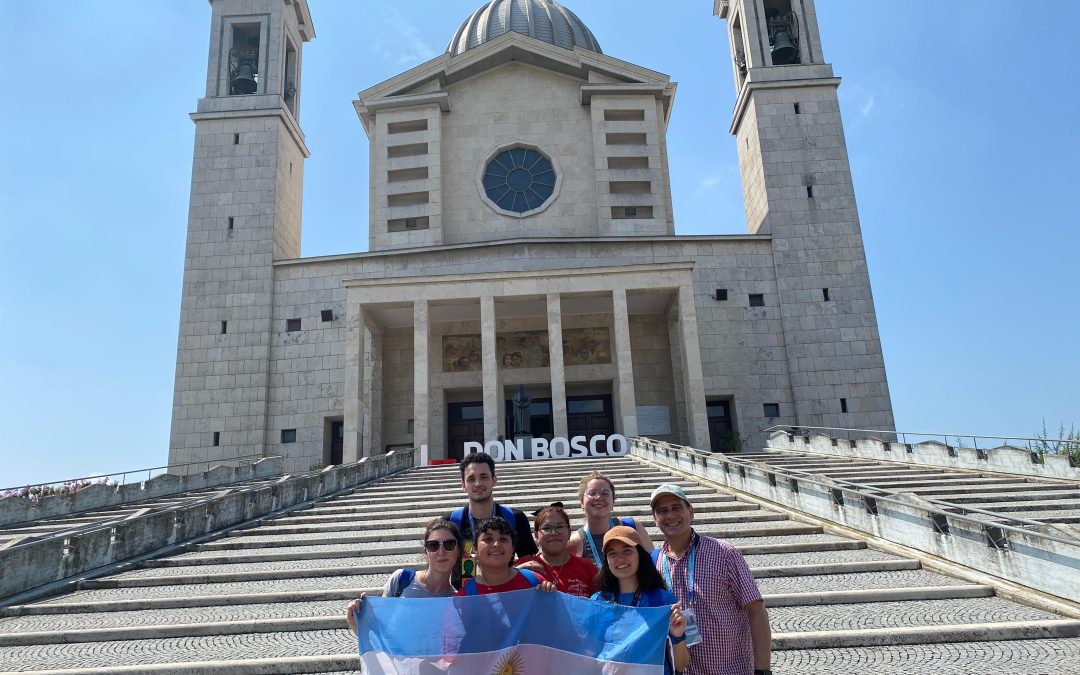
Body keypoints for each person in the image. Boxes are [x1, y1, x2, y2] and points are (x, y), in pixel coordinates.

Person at [650, 484, 772, 675]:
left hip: (730, 670)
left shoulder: (723, 553)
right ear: (655, 520)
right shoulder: (655, 563)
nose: (670, 515)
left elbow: (756, 610)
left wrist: (763, 670)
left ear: (690, 512)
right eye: (662, 511)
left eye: (676, 507)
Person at [591, 525, 689, 674]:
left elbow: (681, 665)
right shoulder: (597, 602)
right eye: (612, 554)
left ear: (640, 555)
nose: (620, 559)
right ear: (607, 561)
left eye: (627, 551)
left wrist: (677, 636)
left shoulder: (663, 601)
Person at [345, 517, 463, 635]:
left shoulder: (458, 602)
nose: (441, 552)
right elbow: (378, 634)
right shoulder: (401, 580)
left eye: (449, 544)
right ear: (426, 551)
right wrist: (356, 622)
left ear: (458, 550)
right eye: (433, 545)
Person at [445, 452, 537, 581]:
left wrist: (516, 570)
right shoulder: (451, 522)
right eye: (471, 479)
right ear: (463, 485)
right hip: (465, 597)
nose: (478, 483)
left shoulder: (515, 518)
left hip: (506, 595)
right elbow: (438, 567)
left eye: (483, 477)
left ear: (494, 480)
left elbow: (533, 565)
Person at [569, 470, 653, 566]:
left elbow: (653, 566)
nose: (598, 497)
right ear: (582, 502)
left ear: (613, 502)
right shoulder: (573, 543)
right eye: (592, 493)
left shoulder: (633, 527)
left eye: (605, 493)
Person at [456, 516, 555, 595]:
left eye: (503, 539)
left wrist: (550, 596)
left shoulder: (535, 582)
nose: (496, 545)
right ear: (475, 549)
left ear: (513, 548)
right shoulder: (466, 596)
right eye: (488, 539)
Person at [516, 503, 598, 597]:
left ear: (569, 533)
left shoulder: (588, 568)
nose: (554, 533)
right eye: (546, 528)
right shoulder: (524, 565)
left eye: (559, 527)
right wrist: (516, 572)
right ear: (536, 536)